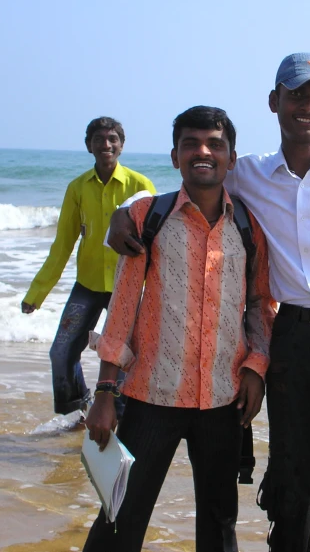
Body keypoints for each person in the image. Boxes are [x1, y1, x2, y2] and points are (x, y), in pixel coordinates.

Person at [108, 53, 310, 552]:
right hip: (293, 343)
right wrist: (121, 214)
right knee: (288, 484)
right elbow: (196, 184)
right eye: (295, 94)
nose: (306, 105)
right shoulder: (250, 175)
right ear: (274, 102)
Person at [82, 106, 275, 552]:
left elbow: (261, 304)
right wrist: (105, 393)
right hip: (151, 397)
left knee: (219, 526)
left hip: (222, 400)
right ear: (174, 156)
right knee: (118, 520)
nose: (202, 152)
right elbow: (124, 309)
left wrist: (255, 367)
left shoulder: (249, 227)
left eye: (214, 145)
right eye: (191, 144)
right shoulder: (148, 217)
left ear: (231, 157)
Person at [22, 117, 155, 417]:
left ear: (121, 145)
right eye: (99, 139)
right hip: (88, 285)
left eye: (112, 139)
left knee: (126, 358)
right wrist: (36, 293)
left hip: (128, 288)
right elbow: (62, 244)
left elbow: (153, 241)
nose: (105, 144)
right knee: (61, 351)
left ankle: (119, 416)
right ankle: (77, 411)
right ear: (88, 146)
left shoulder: (140, 185)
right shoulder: (77, 188)